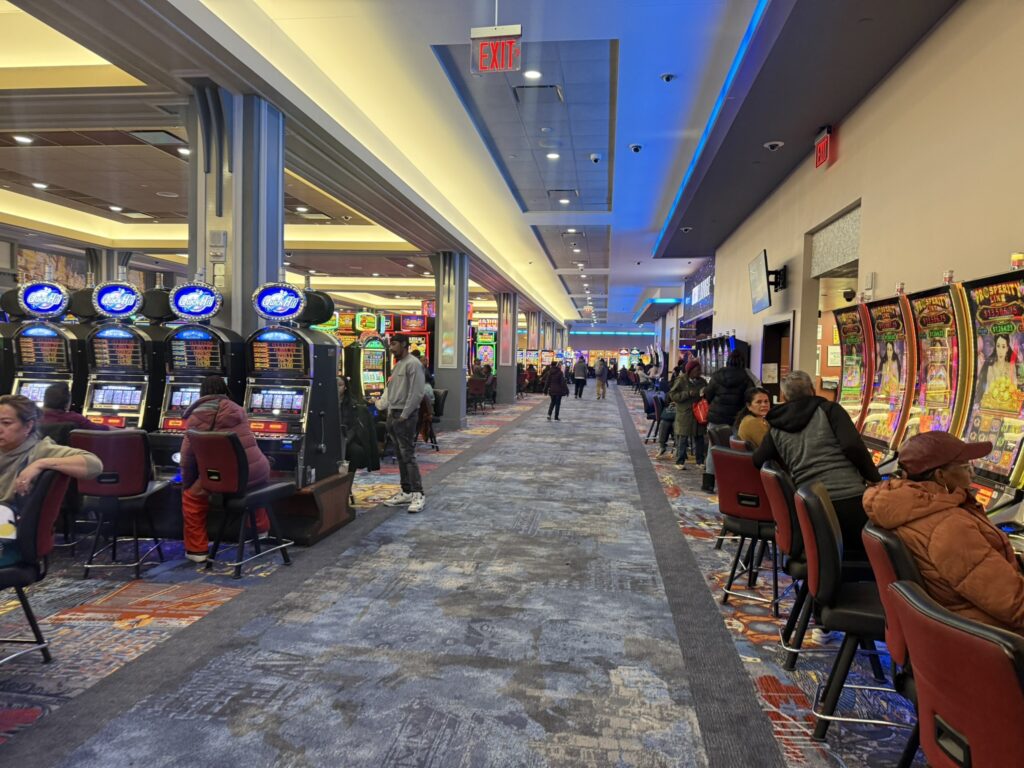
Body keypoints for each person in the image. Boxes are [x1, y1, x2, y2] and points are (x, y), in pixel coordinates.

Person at [864, 431, 1024, 635]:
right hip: (986, 635)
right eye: (966, 468)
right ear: (940, 475)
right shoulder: (949, 527)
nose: (973, 475)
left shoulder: (903, 505)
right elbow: (1013, 605)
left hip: (952, 620)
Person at [753, 370, 880, 557]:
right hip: (850, 502)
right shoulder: (830, 410)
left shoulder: (776, 425)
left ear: (784, 396)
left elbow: (759, 460)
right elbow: (852, 446)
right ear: (812, 390)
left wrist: (789, 463)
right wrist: (874, 478)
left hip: (809, 506)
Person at [179, 375, 270, 562]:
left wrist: (186, 481)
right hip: (257, 470)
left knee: (192, 498)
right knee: (254, 485)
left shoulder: (196, 416)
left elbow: (187, 457)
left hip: (227, 476)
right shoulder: (238, 409)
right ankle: (260, 529)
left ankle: (197, 551)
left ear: (201, 393)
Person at [0, 394, 102, 506]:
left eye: (6, 423)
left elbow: (94, 465)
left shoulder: (40, 450)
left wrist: (40, 463)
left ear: (28, 426)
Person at [377, 334, 426, 513]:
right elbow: (391, 391)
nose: (391, 348)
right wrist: (385, 408)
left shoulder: (413, 364)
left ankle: (418, 493)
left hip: (405, 416)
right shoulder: (398, 364)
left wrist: (404, 415)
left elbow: (417, 393)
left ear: (404, 345)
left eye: (395, 344)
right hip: (393, 414)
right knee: (400, 455)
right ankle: (406, 491)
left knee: (408, 456)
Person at [703, 350, 755, 490]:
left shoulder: (718, 374)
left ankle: (708, 482)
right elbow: (750, 397)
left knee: (713, 448)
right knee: (735, 450)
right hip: (736, 418)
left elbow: (708, 394)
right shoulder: (745, 377)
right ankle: (729, 484)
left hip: (717, 417)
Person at [669, 359, 707, 476]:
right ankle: (680, 461)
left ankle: (699, 461)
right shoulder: (681, 380)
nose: (699, 372)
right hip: (685, 413)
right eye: (697, 370)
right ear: (690, 370)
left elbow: (708, 393)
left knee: (699, 437)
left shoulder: (702, 381)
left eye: (700, 370)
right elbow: (672, 395)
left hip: (698, 413)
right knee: (683, 438)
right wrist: (687, 394)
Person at [338, 376, 381, 473]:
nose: (337, 388)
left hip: (347, 439)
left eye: (340, 385)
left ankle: (348, 480)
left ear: (345, 387)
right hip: (330, 439)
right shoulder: (325, 403)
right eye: (335, 385)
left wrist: (346, 440)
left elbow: (353, 427)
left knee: (356, 451)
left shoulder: (353, 405)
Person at [41, 381, 109, 432]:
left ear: (45, 400)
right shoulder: (74, 419)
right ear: (67, 403)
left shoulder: (34, 417)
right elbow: (104, 431)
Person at [980, 333, 1019, 409]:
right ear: (995, 348)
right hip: (993, 408)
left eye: (1003, 347)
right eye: (998, 346)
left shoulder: (1011, 366)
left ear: (1007, 348)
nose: (1000, 350)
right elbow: (987, 392)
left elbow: (1014, 391)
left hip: (1008, 407)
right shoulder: (990, 368)